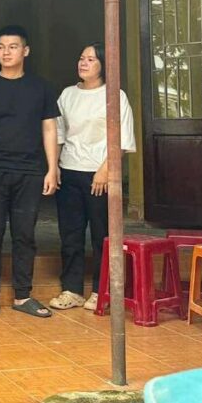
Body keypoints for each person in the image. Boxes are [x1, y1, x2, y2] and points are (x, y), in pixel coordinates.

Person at [0, 26, 59, 319]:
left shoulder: (41, 88)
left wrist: (52, 168)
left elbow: (49, 128)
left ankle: (22, 295)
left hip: (30, 171)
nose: (6, 52)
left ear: (25, 51)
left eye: (13, 46)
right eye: (1, 47)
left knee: (25, 234)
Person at [48, 42, 136, 312]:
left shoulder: (114, 95)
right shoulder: (67, 94)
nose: (83, 63)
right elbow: (58, 133)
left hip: (100, 175)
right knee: (70, 235)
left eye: (90, 59)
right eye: (81, 58)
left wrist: (105, 170)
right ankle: (72, 290)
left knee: (102, 235)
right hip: (70, 171)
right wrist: (55, 165)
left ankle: (102, 291)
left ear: (103, 65)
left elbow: (122, 138)